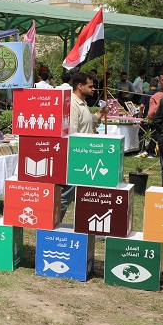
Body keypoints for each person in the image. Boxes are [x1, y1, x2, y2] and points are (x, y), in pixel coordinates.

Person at [60, 72, 108, 221]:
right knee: (66, 196)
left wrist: (99, 115)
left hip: (85, 156)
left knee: (86, 196)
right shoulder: (72, 105)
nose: (94, 89)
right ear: (80, 86)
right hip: (77, 158)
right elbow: (72, 133)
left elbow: (86, 123)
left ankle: (88, 224)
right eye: (91, 86)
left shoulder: (82, 103)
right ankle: (52, 225)